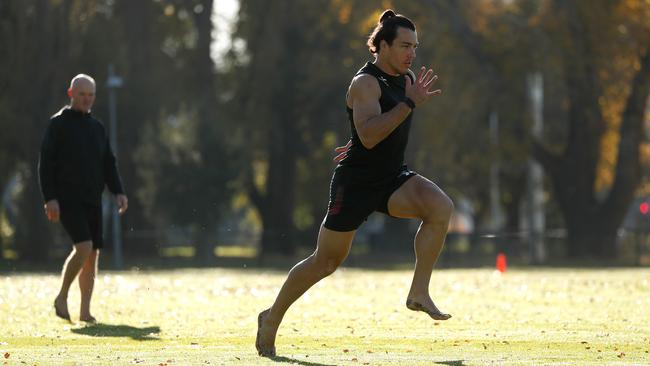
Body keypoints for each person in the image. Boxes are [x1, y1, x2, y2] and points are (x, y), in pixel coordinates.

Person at [256, 10, 454, 357]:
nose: (412, 54)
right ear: (382, 45)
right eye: (405, 45)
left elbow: (371, 131)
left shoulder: (405, 77)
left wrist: (369, 130)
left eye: (415, 47)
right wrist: (408, 104)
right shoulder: (365, 82)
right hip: (356, 184)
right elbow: (370, 134)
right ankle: (271, 317)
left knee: (440, 208)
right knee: (326, 262)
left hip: (392, 178)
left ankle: (418, 292)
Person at [38, 74, 128, 323]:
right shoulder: (57, 125)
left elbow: (108, 163)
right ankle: (61, 296)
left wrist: (118, 191)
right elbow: (45, 165)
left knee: (92, 255)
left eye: (90, 95)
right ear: (71, 93)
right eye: (82, 94)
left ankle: (85, 311)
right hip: (67, 199)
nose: (86, 99)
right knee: (84, 247)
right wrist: (50, 198)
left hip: (92, 199)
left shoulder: (97, 127)